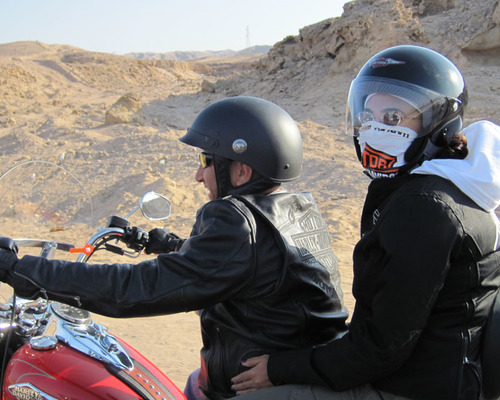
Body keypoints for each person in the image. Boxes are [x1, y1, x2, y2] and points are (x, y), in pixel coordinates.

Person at [0, 96, 348, 400]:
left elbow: (136, 290)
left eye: (206, 161)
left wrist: (19, 269)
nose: (199, 175)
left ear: (241, 170)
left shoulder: (238, 222)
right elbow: (241, 267)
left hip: (261, 387)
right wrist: (166, 244)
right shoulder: (295, 209)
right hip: (290, 372)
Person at [230, 46, 500, 400]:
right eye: (367, 115)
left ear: (438, 123)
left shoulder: (425, 208)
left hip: (409, 388)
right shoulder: (456, 184)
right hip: (426, 375)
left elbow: (382, 348)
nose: (374, 128)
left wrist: (278, 368)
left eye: (393, 117)